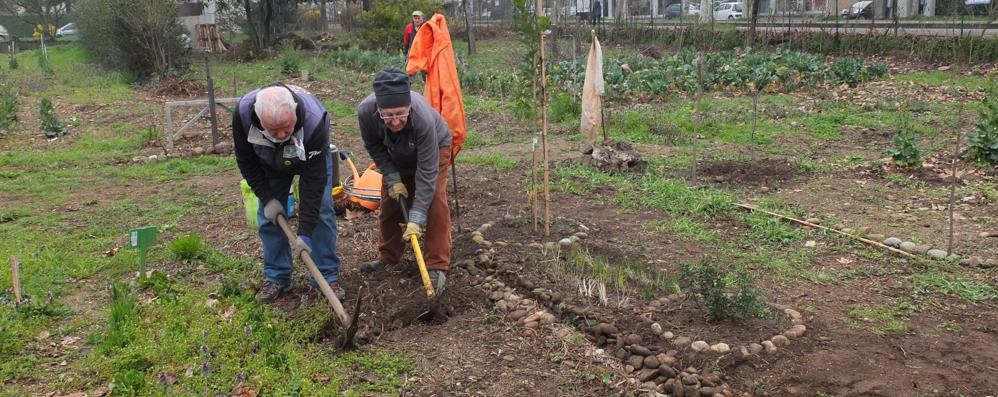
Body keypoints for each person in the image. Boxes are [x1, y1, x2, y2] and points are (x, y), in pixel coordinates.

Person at [232, 83, 345, 303]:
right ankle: (277, 276)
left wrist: (304, 233)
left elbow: (314, 183)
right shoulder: (243, 115)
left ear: (294, 111)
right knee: (269, 217)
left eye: (287, 127)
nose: (283, 134)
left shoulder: (314, 121)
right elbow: (246, 162)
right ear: (259, 118)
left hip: (309, 158)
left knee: (321, 210)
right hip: (268, 160)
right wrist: (267, 198)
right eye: (274, 130)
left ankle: (325, 274)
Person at [357, 68, 451, 294]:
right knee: (390, 202)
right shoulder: (365, 112)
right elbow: (374, 147)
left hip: (435, 149)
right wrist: (391, 176)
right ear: (378, 109)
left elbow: (427, 172)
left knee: (435, 199)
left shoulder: (422, 118)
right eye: (388, 115)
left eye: (400, 113)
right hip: (396, 155)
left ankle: (436, 265)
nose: (395, 121)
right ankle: (388, 257)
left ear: (408, 106)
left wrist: (416, 218)